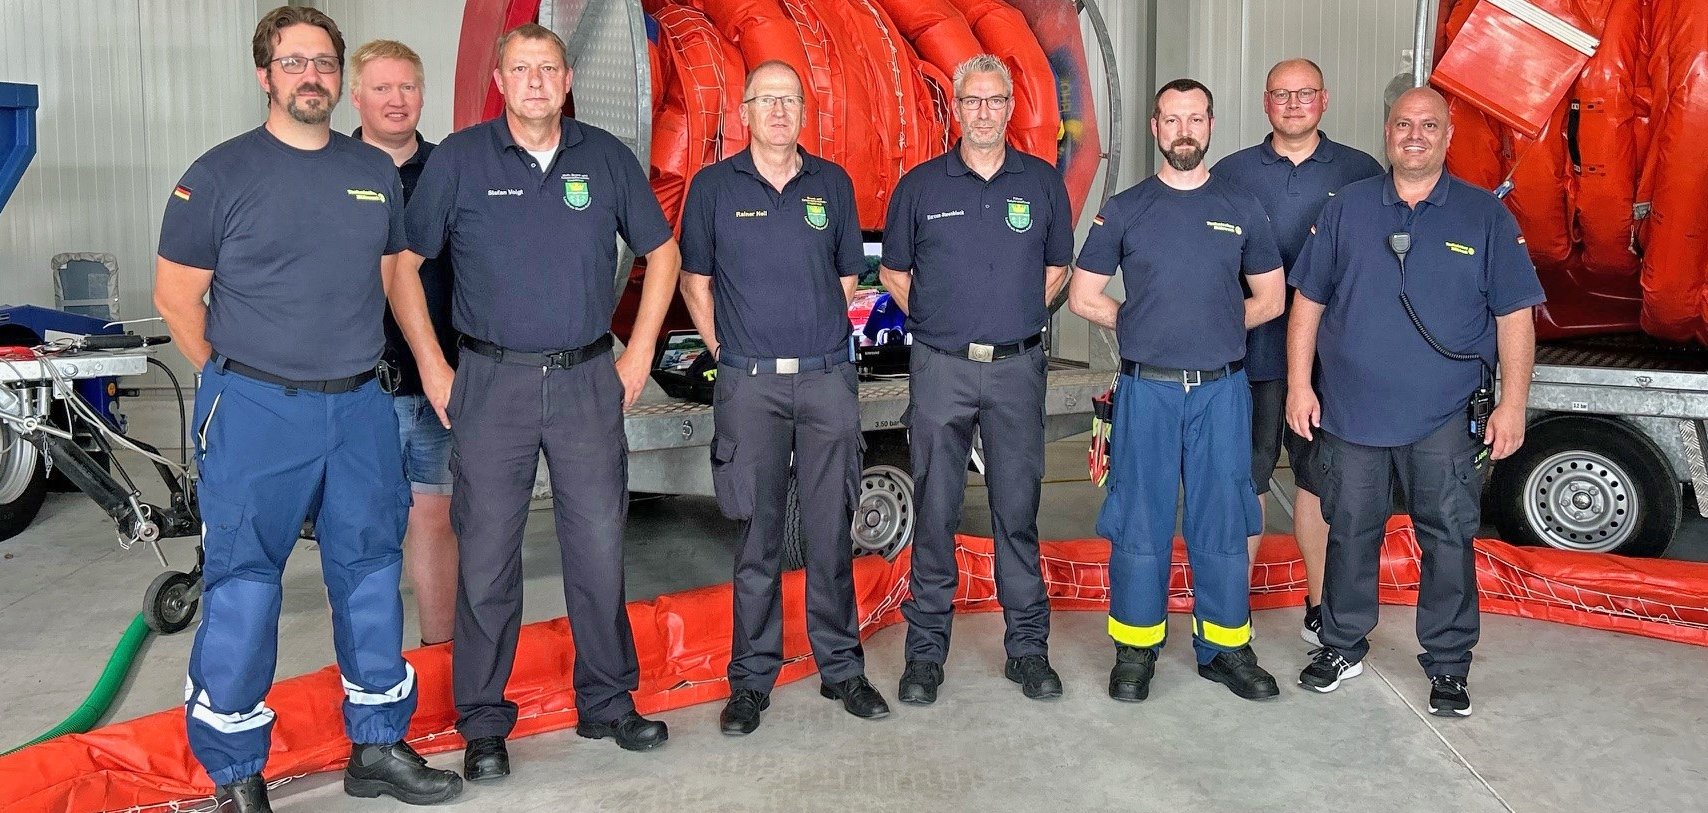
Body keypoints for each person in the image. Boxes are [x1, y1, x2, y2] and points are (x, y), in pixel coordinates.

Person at [152, 7, 463, 811]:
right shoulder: (217, 174)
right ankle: (233, 771)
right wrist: (238, 380)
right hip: (257, 409)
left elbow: (397, 274)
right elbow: (177, 297)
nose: (312, 76)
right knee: (245, 584)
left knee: (369, 573)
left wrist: (430, 364)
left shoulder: (370, 172)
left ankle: (377, 746)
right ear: (265, 74)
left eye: (324, 62)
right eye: (294, 63)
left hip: (359, 405)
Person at [400, 23, 681, 781]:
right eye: (520, 69)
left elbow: (664, 253)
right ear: (501, 78)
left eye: (547, 69)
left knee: (598, 545)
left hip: (589, 378)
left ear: (566, 80)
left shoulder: (607, 159)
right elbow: (402, 265)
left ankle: (608, 700)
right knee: (488, 555)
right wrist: (433, 364)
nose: (534, 81)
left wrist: (642, 351)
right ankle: (485, 722)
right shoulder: (460, 160)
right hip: (490, 381)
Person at [1288, 86, 1543, 717]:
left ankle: (1449, 665)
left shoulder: (1484, 217)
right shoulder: (1347, 208)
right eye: (1403, 124)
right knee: (1349, 531)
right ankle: (1342, 644)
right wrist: (1299, 384)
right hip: (1351, 414)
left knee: (1449, 538)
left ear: (1448, 136)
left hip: (1445, 418)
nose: (1414, 135)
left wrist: (1513, 405)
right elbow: (1308, 303)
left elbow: (1515, 315)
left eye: (1429, 126)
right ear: (1387, 133)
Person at [679, 60, 891, 735]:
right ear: (743, 111)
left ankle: (842, 668)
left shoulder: (831, 183)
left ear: (805, 111)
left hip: (827, 379)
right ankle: (751, 680)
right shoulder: (713, 187)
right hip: (751, 383)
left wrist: (813, 341)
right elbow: (696, 284)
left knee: (831, 528)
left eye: (789, 101)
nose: (778, 111)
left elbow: (847, 277)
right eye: (766, 100)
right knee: (757, 535)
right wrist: (729, 353)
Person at [1068, 78, 1286, 703]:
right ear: (1155, 128)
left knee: (1224, 518)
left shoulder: (1243, 207)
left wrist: (1217, 325)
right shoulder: (1127, 208)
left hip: (1222, 391)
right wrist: (1135, 325)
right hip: (1147, 392)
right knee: (1140, 519)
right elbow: (1085, 295)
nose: (1183, 130)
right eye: (1172, 119)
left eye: (1195, 118)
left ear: (1210, 125)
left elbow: (1269, 298)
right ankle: (1135, 650)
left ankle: (1225, 648)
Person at [879, 54, 1075, 705]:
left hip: (1017, 369)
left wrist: (1011, 318)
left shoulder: (1042, 185)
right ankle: (925, 655)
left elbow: (1058, 270)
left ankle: (1027, 651)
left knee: (1015, 511)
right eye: (973, 101)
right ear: (955, 108)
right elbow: (894, 274)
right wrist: (943, 326)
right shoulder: (921, 186)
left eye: (995, 101)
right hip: (942, 369)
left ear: (1010, 106)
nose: (984, 112)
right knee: (934, 510)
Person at [1210, 58, 1383, 644]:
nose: (1292, 103)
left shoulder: (1361, 173)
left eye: (1304, 93)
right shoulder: (1230, 174)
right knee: (1246, 481)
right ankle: (1232, 610)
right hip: (1250, 357)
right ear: (1265, 102)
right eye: (1281, 94)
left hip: (1329, 365)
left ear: (1324, 100)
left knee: (1317, 484)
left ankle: (1320, 605)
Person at [349, 38, 460, 648]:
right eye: (383, 88)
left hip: (443, 382)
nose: (397, 101)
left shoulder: (451, 168)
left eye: (408, 87)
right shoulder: (332, 169)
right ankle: (376, 672)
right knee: (365, 530)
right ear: (357, 96)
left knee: (436, 520)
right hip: (363, 388)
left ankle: (439, 659)